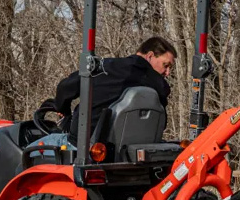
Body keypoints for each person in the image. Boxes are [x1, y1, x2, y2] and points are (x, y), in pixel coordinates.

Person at [32, 36, 176, 153]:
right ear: (150, 56)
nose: (168, 73)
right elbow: (160, 124)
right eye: (166, 65)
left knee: (26, 153)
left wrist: (61, 107)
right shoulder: (160, 88)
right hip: (125, 155)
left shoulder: (107, 67)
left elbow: (65, 87)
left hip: (84, 148)